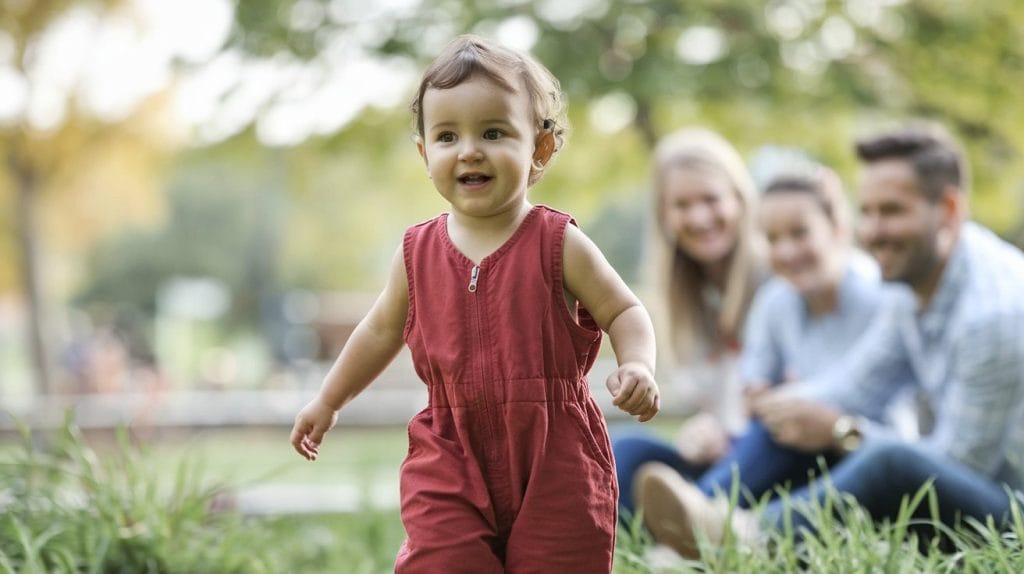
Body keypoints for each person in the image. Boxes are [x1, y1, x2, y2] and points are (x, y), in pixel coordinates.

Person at [289, 34, 660, 573]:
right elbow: (377, 332)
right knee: (441, 560)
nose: (469, 149)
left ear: (540, 148)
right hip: (449, 449)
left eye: (493, 132)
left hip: (554, 455)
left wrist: (638, 364)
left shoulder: (559, 243)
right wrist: (328, 400)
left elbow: (624, 311)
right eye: (447, 136)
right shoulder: (416, 254)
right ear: (425, 154)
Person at [636, 124, 1024, 554]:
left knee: (890, 461)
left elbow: (954, 466)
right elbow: (857, 384)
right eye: (868, 211)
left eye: (893, 211)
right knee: (779, 421)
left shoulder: (990, 317)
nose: (873, 231)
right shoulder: (911, 283)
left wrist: (842, 431)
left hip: (1010, 511)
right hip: (957, 484)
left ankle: (737, 535)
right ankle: (697, 525)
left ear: (949, 210)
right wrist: (782, 406)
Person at [636, 167, 901, 557]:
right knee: (628, 451)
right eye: (773, 239)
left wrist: (804, 405)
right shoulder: (778, 301)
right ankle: (680, 523)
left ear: (837, 228)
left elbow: (890, 409)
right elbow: (753, 393)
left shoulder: (879, 298)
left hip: (857, 448)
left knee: (778, 424)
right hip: (789, 448)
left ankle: (685, 536)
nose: (786, 251)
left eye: (800, 233)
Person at [612, 127, 766, 516]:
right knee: (627, 448)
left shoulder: (777, 279)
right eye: (682, 205)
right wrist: (703, 430)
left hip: (774, 451)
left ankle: (696, 527)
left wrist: (731, 427)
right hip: (725, 461)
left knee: (762, 439)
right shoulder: (680, 303)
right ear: (664, 214)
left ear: (739, 199)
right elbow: (716, 404)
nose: (699, 217)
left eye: (711, 199)